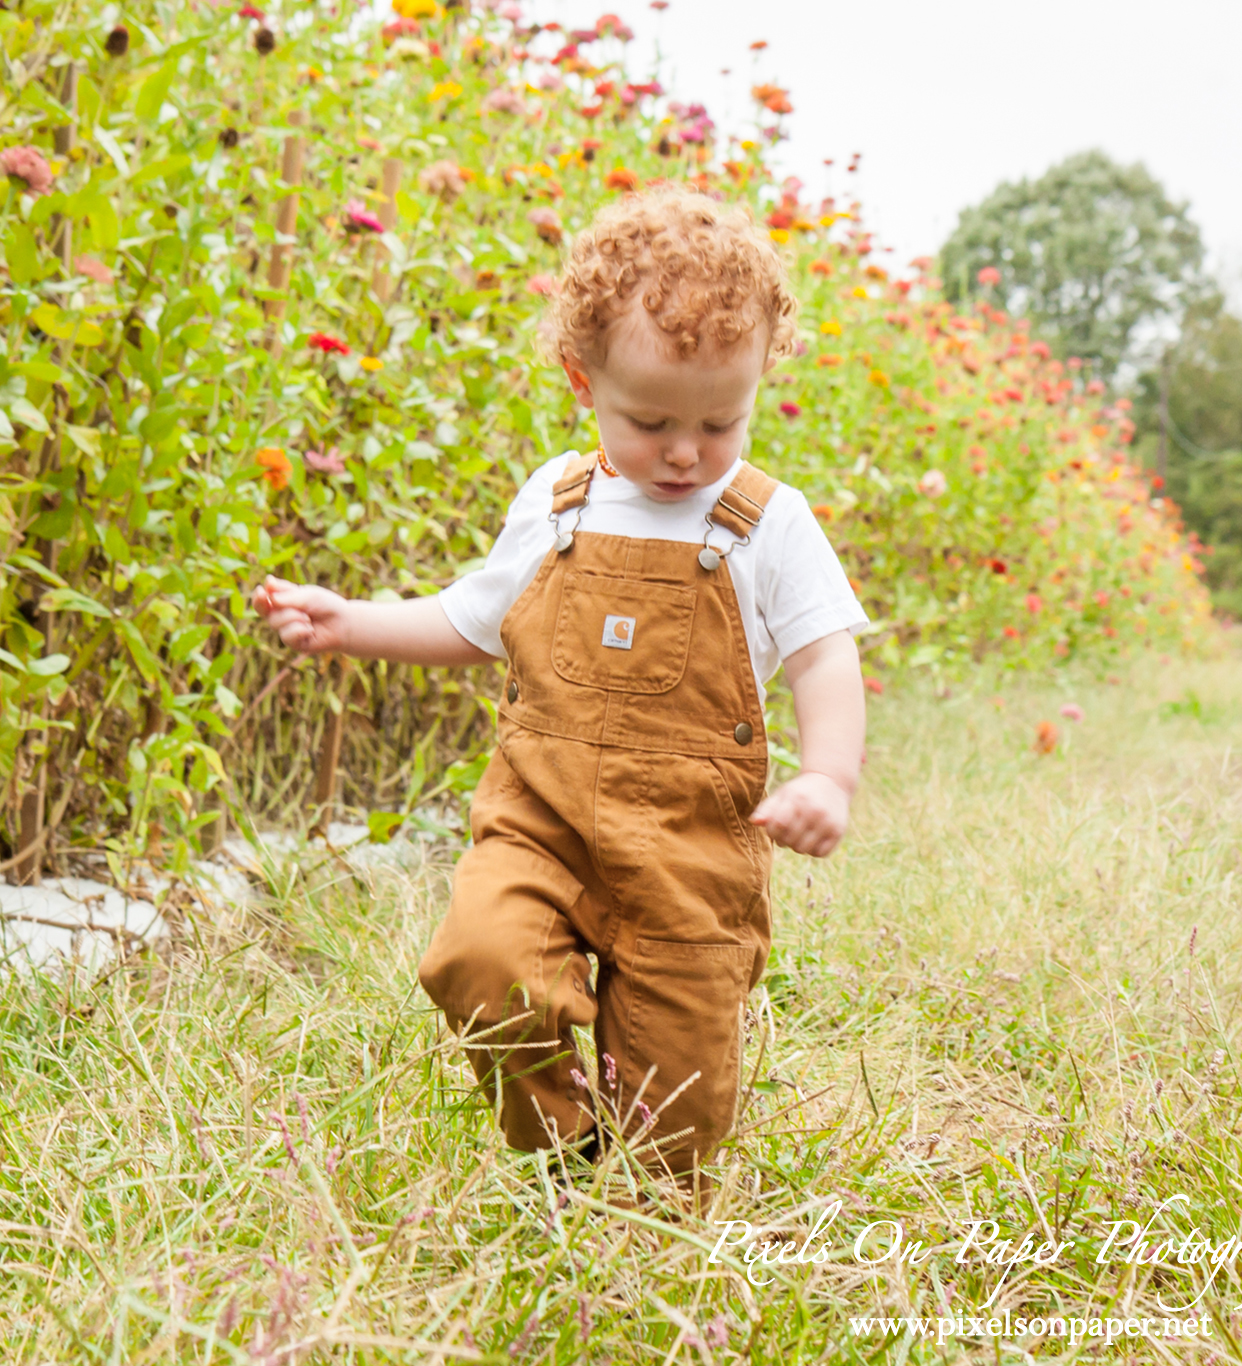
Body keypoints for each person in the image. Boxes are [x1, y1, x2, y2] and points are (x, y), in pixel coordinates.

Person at [252, 185, 868, 1194]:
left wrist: (829, 776)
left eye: (721, 420)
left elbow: (821, 656)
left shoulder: (770, 520)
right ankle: (561, 1146)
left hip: (685, 853)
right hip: (537, 821)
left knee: (678, 1103)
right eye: (649, 418)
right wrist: (349, 621)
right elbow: (471, 618)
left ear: (760, 381)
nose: (683, 450)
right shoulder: (556, 501)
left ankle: (650, 1211)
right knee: (479, 962)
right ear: (583, 382)